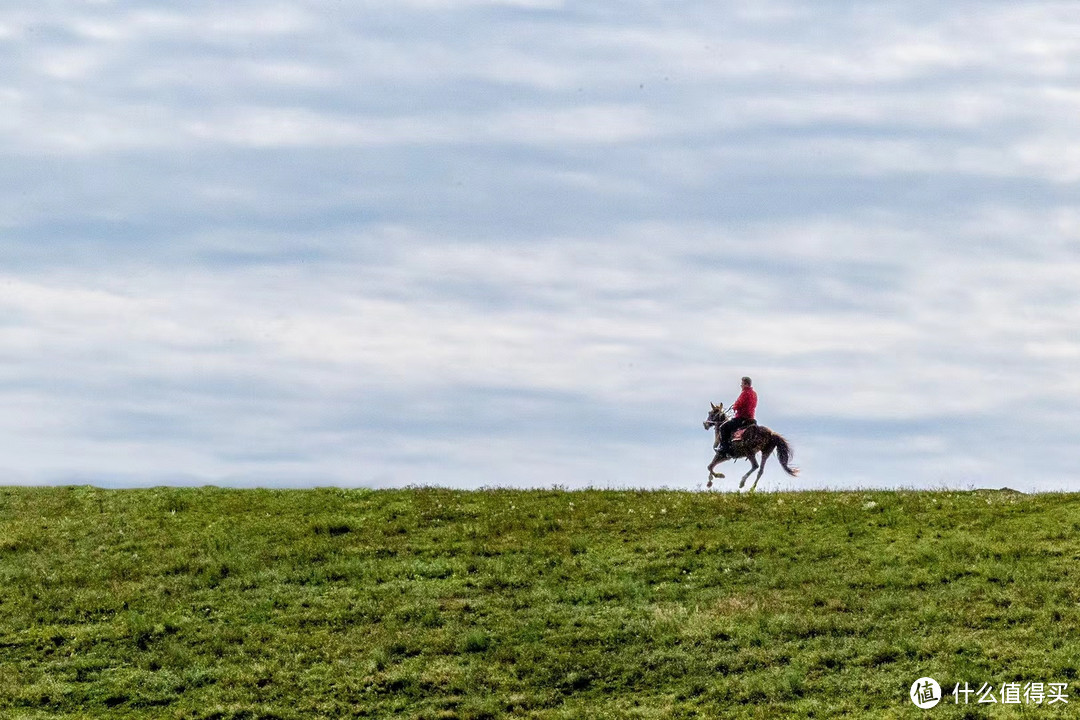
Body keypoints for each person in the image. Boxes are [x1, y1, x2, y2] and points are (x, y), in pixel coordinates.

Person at [717, 376, 757, 456]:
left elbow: (739, 404)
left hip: (742, 417)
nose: (741, 385)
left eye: (742, 383)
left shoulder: (745, 393)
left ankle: (725, 448)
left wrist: (735, 406)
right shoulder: (754, 393)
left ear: (746, 384)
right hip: (751, 417)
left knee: (723, 427)